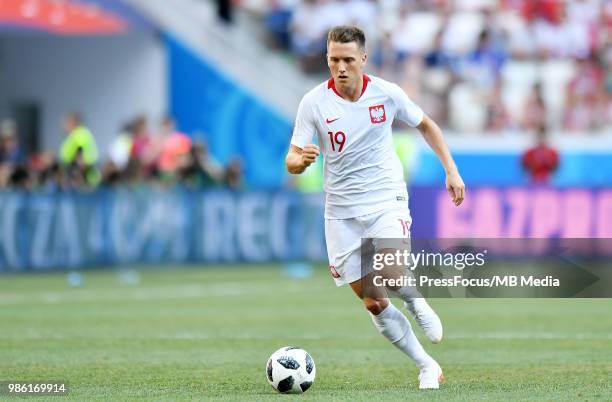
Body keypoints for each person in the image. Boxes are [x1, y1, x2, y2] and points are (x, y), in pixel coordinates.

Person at [285, 26, 465, 390]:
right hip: (340, 211)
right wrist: (300, 162)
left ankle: (416, 303)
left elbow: (427, 125)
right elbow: (291, 157)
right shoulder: (313, 103)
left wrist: (451, 169)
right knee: (372, 300)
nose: (341, 67)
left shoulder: (386, 93)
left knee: (392, 272)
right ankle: (427, 365)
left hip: (386, 197)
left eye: (348, 59)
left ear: (363, 59)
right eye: (334, 59)